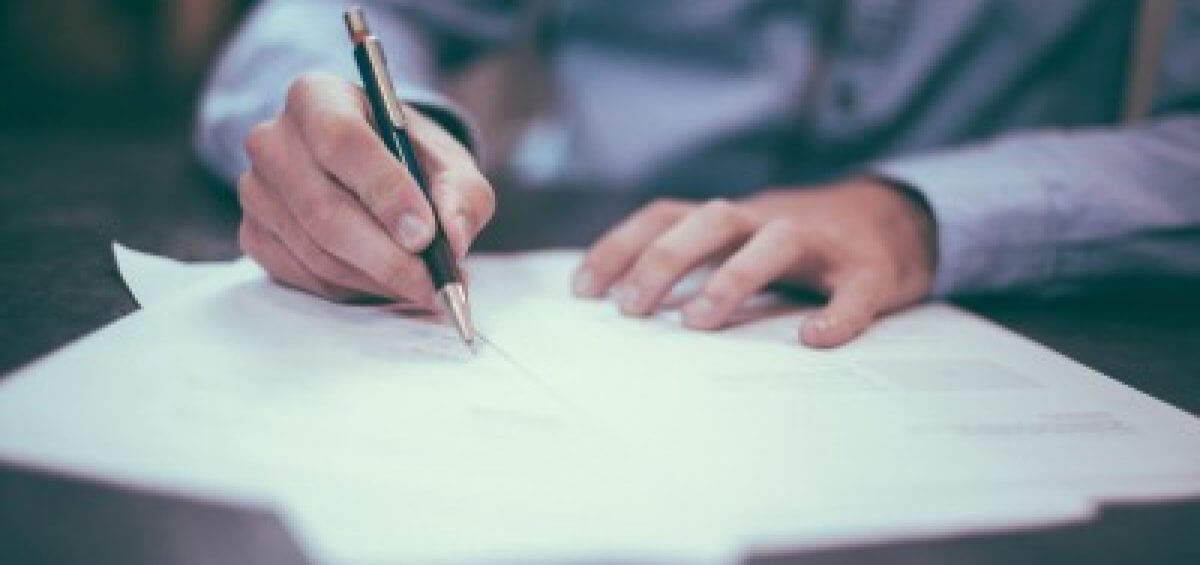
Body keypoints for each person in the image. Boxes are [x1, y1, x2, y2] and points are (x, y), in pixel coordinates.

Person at [195, 1, 1200, 347]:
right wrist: (358, 132)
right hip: (589, 273)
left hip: (1006, 300)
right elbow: (321, 20)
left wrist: (918, 215)